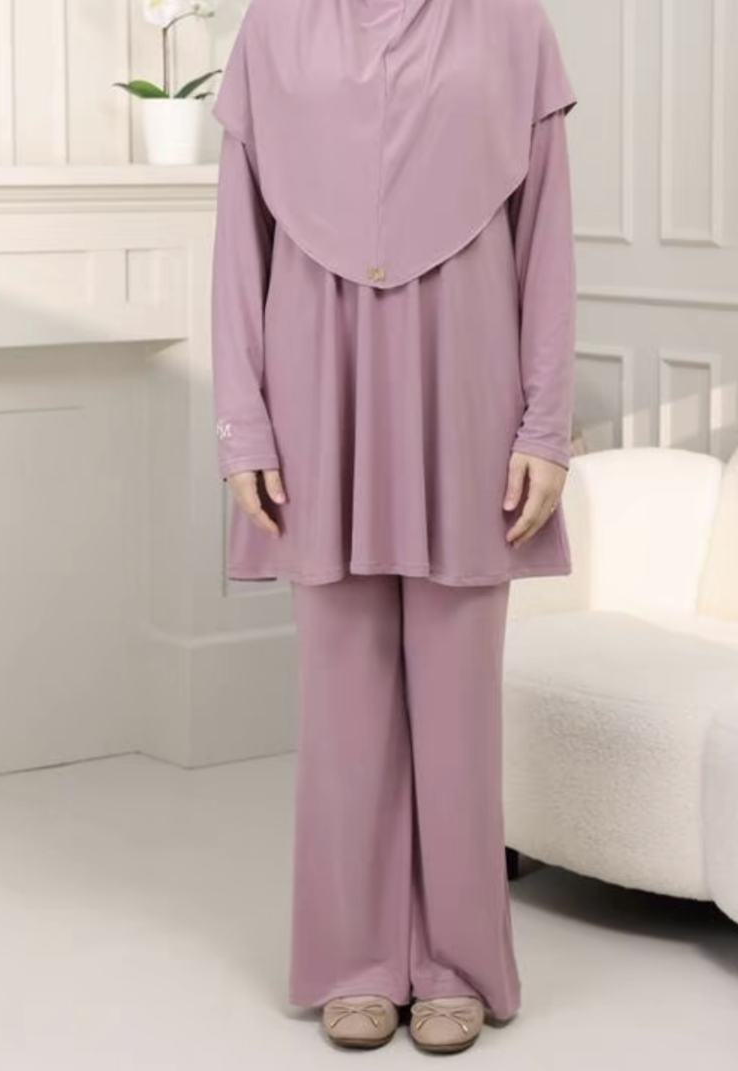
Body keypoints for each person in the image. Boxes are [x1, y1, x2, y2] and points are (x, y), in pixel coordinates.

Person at [210, 0, 577, 1054]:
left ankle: (457, 961)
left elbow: (547, 239)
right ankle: (354, 961)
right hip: (316, 393)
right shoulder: (274, 28)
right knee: (342, 701)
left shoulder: (513, 26)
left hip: (466, 393)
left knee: (460, 704)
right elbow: (238, 245)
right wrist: (243, 427)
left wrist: (545, 426)